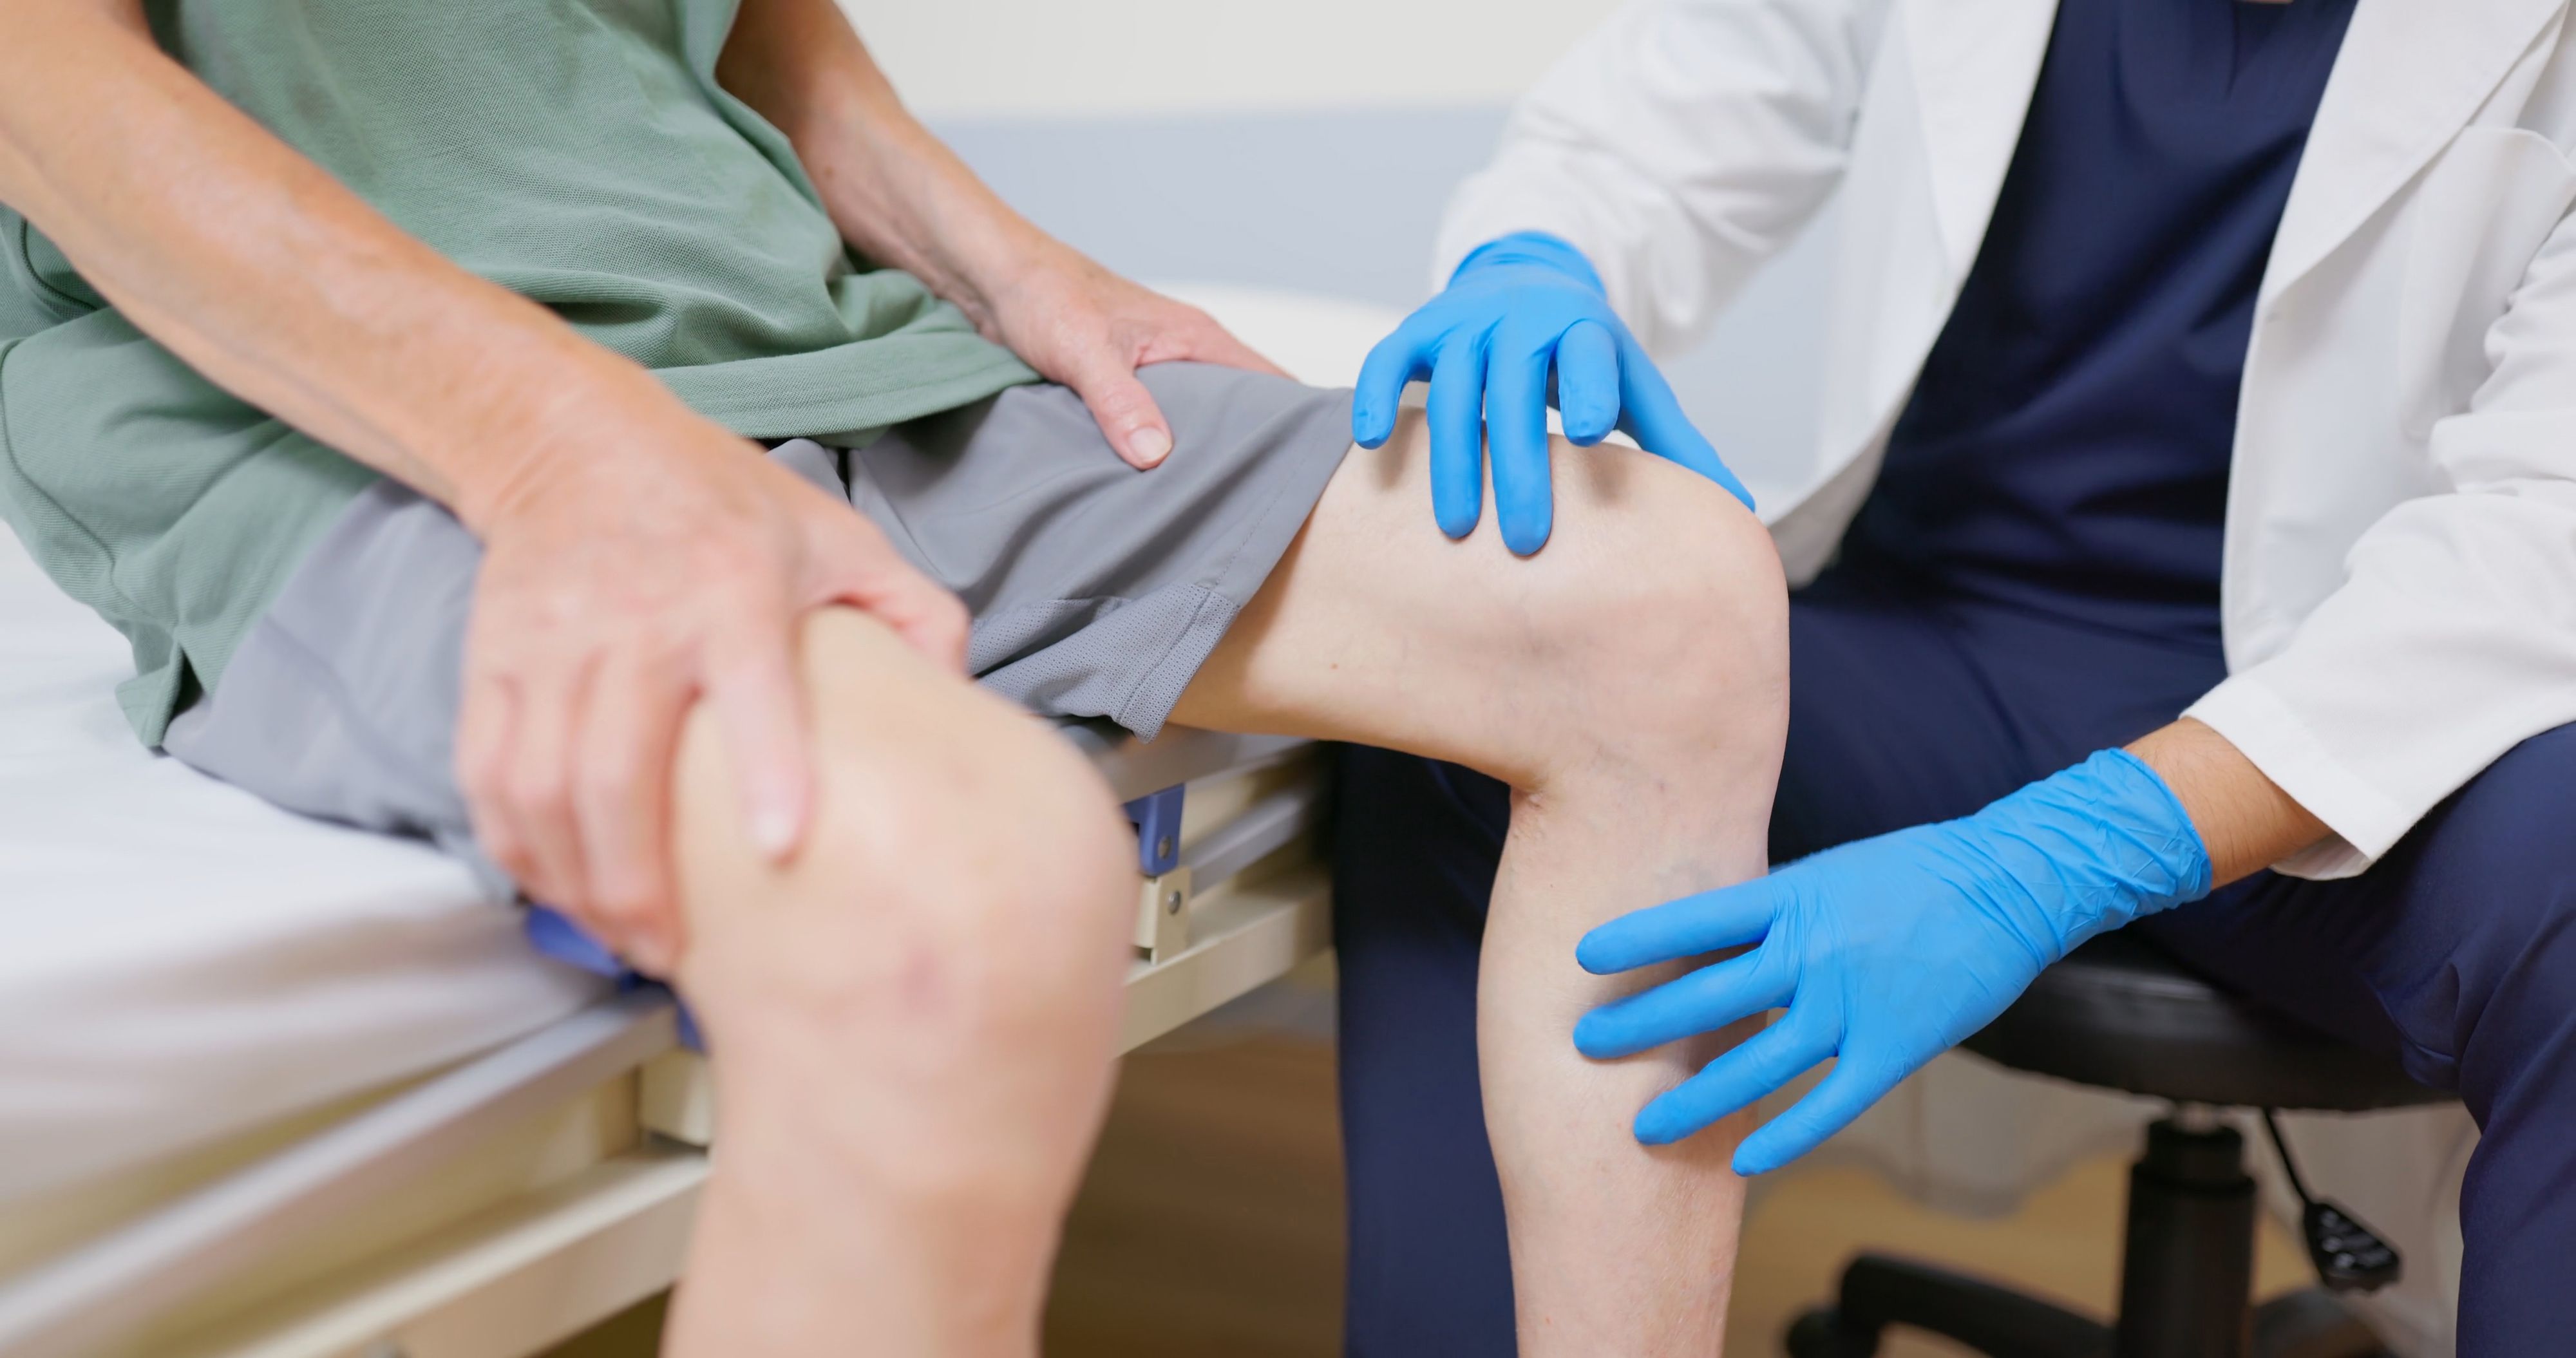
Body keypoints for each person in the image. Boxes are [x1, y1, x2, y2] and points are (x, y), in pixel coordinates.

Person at [0, 1, 1797, 1353]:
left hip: (821, 333)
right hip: (364, 415)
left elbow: (731, 25)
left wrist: (1009, 270)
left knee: (1664, 605)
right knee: (963, 883)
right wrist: (560, 447)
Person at [1336, 0, 2576, 1353]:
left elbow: (2540, 530)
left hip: (2333, 694)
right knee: (1478, 716)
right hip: (1933, 645)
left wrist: (2061, 852)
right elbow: (1667, 116)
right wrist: (1537, 259)